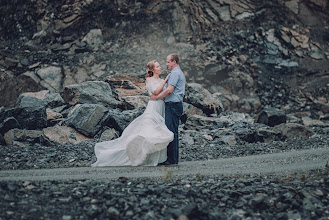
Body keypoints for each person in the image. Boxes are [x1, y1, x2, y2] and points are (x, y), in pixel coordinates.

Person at [92, 60, 174, 167]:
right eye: (157, 66)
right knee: (148, 129)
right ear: (152, 70)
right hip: (153, 106)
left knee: (158, 129)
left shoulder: (161, 79)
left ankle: (155, 157)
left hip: (161, 106)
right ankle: (139, 154)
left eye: (159, 66)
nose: (160, 68)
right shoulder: (149, 79)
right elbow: (155, 92)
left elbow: (165, 93)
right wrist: (165, 81)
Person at [150, 53, 186, 165]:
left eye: (168, 62)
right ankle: (173, 158)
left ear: (174, 62)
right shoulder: (177, 73)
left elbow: (169, 90)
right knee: (172, 131)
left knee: (171, 132)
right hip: (175, 104)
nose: (167, 64)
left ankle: (172, 160)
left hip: (173, 105)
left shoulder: (175, 73)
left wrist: (157, 97)